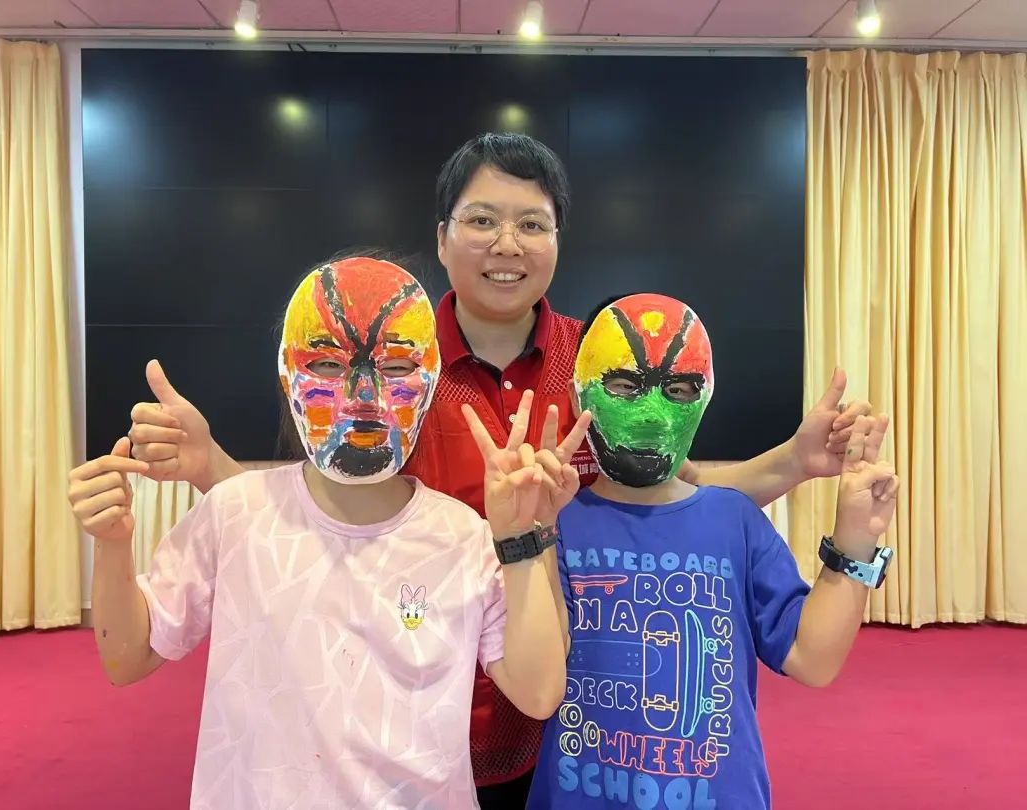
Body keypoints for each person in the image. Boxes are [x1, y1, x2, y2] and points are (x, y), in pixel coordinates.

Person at [125, 133, 873, 806]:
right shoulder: (396, 361)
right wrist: (211, 465)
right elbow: (310, 520)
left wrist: (793, 462)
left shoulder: (598, 362)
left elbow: (666, 502)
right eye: (482, 219)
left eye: (532, 224)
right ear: (443, 237)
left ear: (558, 240)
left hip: (568, 726)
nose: (506, 244)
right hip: (407, 718)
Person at [68, 257, 585, 809]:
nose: (363, 394)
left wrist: (522, 539)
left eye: (395, 367)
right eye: (327, 366)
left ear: (431, 379)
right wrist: (113, 544)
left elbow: (538, 693)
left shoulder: (461, 537)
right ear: (287, 374)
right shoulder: (234, 513)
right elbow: (128, 657)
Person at [526, 293, 898, 809]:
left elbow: (811, 658)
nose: (652, 415)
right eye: (625, 385)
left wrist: (855, 539)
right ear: (579, 396)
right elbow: (535, 676)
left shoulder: (734, 520)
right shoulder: (557, 524)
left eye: (678, 389)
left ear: (703, 399)